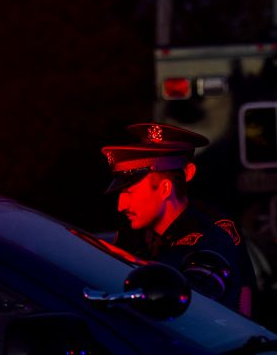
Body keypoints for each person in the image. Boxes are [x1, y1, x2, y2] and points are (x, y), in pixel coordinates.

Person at [101, 123, 254, 315]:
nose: (121, 205)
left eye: (129, 192)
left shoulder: (211, 235)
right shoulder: (134, 233)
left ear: (165, 188)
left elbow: (229, 309)